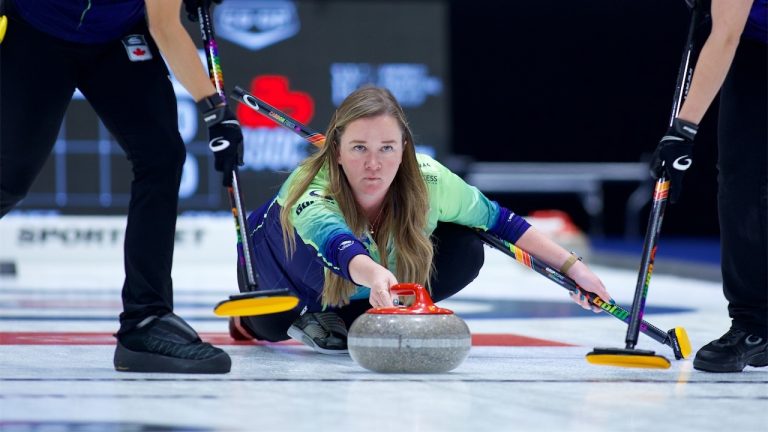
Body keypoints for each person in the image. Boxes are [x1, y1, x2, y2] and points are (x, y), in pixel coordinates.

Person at [228, 86, 614, 354]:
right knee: (270, 326)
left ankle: (342, 319)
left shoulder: (428, 178)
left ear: (405, 149)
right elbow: (336, 244)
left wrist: (574, 269)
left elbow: (503, 223)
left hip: (359, 286)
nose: (374, 163)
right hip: (282, 277)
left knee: (466, 244)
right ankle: (293, 319)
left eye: (387, 148)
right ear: (338, 151)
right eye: (359, 147)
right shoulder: (311, 182)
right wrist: (378, 275)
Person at [0, 0, 243, 373]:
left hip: (116, 37)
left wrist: (215, 109)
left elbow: (164, 26)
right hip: (35, 31)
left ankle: (146, 320)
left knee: (161, 155)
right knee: (9, 179)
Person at [650, 0, 767, 372]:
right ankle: (754, 325)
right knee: (740, 183)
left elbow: (726, 33)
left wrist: (682, 131)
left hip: (746, 39)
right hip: (758, 48)